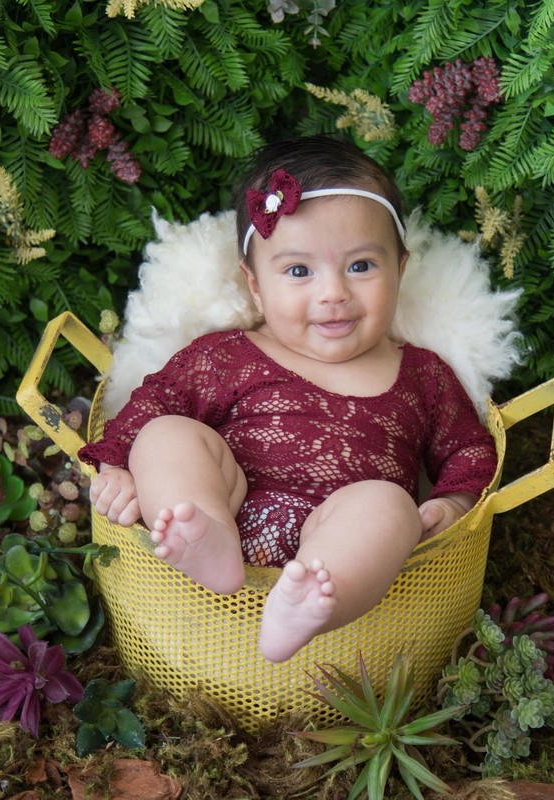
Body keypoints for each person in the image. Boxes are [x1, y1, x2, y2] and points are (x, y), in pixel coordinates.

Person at [78, 135, 497, 662]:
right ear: (255, 285)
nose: (333, 293)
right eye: (299, 272)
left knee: (391, 506)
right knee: (166, 434)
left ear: (400, 268)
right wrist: (118, 465)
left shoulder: (423, 375)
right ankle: (205, 539)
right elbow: (152, 403)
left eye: (361, 266)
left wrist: (454, 503)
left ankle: (310, 605)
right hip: (230, 510)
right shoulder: (227, 355)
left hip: (342, 545)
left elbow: (468, 448)